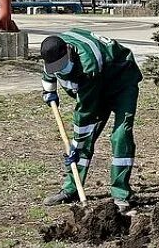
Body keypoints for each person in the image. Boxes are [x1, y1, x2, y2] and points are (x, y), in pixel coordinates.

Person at [39, 29, 142, 210]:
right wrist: (49, 91)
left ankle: (120, 194)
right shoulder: (53, 49)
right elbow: (49, 74)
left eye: (62, 66)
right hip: (97, 84)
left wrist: (75, 146)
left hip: (121, 80)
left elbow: (85, 114)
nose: (60, 70)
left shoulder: (88, 66)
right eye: (56, 67)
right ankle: (71, 189)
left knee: (120, 135)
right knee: (83, 141)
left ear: (69, 52)